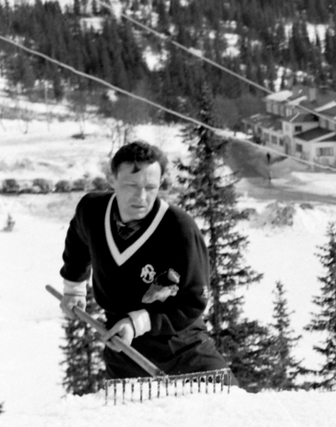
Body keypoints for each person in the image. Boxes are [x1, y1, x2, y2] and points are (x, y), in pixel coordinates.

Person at [58, 140, 229, 379]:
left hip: (181, 345)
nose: (141, 196)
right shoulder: (92, 210)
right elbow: (78, 238)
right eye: (131, 185)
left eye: (150, 187)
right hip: (123, 348)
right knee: (132, 416)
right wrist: (74, 287)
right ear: (112, 179)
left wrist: (137, 322)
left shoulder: (179, 228)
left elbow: (193, 301)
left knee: (230, 405)